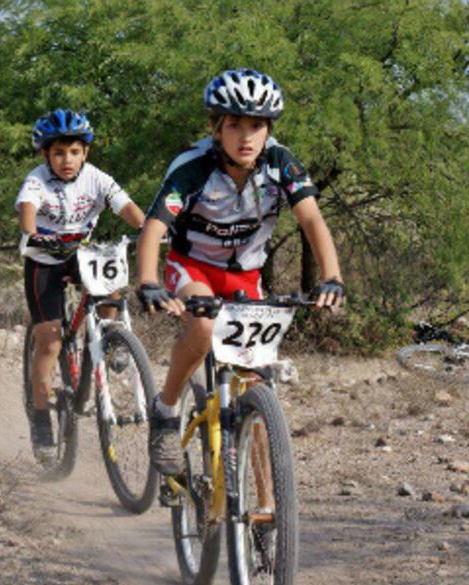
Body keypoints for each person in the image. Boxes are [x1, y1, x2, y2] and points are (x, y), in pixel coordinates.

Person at [136, 68, 345, 476]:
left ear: (269, 130)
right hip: (192, 266)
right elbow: (155, 227)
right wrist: (148, 282)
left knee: (257, 388)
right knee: (202, 327)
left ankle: (266, 506)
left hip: (245, 275)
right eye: (234, 125)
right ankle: (165, 411)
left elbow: (312, 221)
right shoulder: (192, 167)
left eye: (257, 126)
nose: (246, 137)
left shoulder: (281, 163)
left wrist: (332, 277)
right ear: (216, 129)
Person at [16, 108, 145, 463]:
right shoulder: (37, 181)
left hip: (79, 254)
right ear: (46, 155)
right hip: (44, 260)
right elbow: (27, 209)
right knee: (50, 342)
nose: (67, 160)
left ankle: (111, 338)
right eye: (58, 153)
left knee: (110, 282)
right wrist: (32, 233)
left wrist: (148, 230)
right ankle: (40, 418)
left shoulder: (96, 178)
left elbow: (127, 207)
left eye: (74, 152)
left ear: (85, 152)